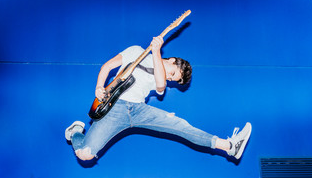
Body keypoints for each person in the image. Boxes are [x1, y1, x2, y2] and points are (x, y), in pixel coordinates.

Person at [65, 36, 251, 162]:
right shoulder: (136, 51)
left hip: (139, 111)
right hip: (115, 109)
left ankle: (230, 146)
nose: (170, 79)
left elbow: (160, 85)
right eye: (173, 74)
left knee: (181, 127)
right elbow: (106, 66)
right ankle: (75, 131)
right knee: (84, 155)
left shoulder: (160, 72)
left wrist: (156, 52)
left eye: (173, 80)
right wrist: (99, 87)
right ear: (171, 61)